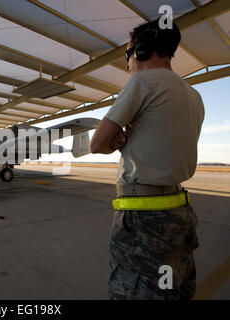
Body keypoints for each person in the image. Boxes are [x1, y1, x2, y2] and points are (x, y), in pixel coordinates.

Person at [90, 18, 204, 300]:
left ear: (140, 50)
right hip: (180, 213)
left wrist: (112, 143)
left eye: (127, 55)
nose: (127, 64)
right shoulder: (194, 95)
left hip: (144, 221)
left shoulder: (141, 81)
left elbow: (96, 143)